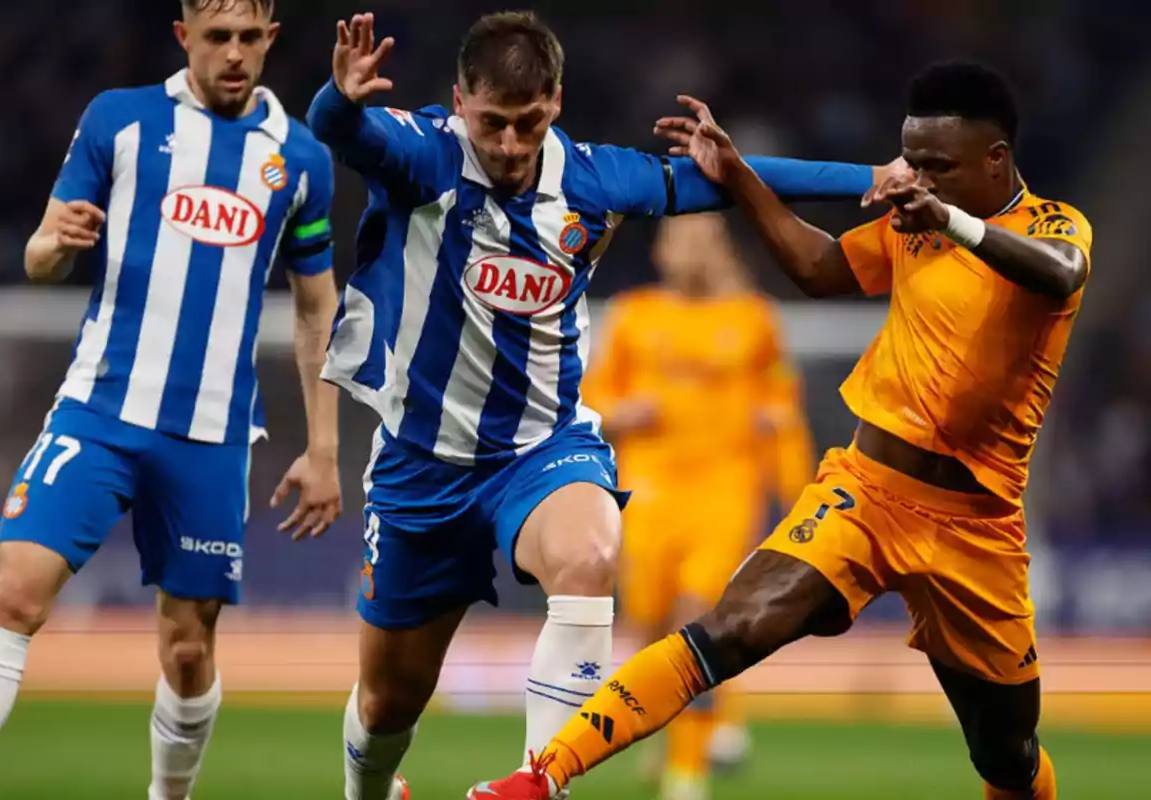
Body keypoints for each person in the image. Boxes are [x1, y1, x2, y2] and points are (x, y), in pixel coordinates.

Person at [307, 12, 903, 800]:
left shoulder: (595, 179)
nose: (512, 145)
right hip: (424, 464)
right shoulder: (423, 155)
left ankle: (539, 783)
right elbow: (338, 130)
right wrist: (337, 100)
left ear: (556, 101)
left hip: (540, 451)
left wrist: (867, 178)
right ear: (460, 102)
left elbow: (728, 175)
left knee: (590, 556)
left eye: (529, 122)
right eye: (492, 124)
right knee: (388, 704)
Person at [471, 60, 1092, 800]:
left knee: (1007, 755)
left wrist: (951, 224)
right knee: (730, 627)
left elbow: (1062, 272)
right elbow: (820, 267)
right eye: (912, 160)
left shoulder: (1048, 225)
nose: (918, 178)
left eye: (938, 165)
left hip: (977, 528)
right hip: (867, 494)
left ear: (997, 160)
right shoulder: (913, 223)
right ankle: (540, 779)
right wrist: (737, 178)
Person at [0, 2, 344, 798]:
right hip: (99, 409)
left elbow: (315, 307)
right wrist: (50, 245)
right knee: (19, 590)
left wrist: (324, 444)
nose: (233, 55)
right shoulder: (119, 121)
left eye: (248, 39)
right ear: (183, 37)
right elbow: (40, 257)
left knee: (189, 650)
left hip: (210, 436)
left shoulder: (300, 159)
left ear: (271, 38)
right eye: (216, 38)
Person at [581, 213, 813, 799]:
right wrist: (620, 413)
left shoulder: (753, 320)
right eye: (681, 240)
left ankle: (688, 774)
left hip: (725, 491)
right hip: (647, 492)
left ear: (721, 249)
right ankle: (678, 733)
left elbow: (783, 408)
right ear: (661, 250)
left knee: (696, 617)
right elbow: (591, 401)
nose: (691, 252)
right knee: (650, 628)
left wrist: (799, 495)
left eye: (704, 241)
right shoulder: (634, 316)